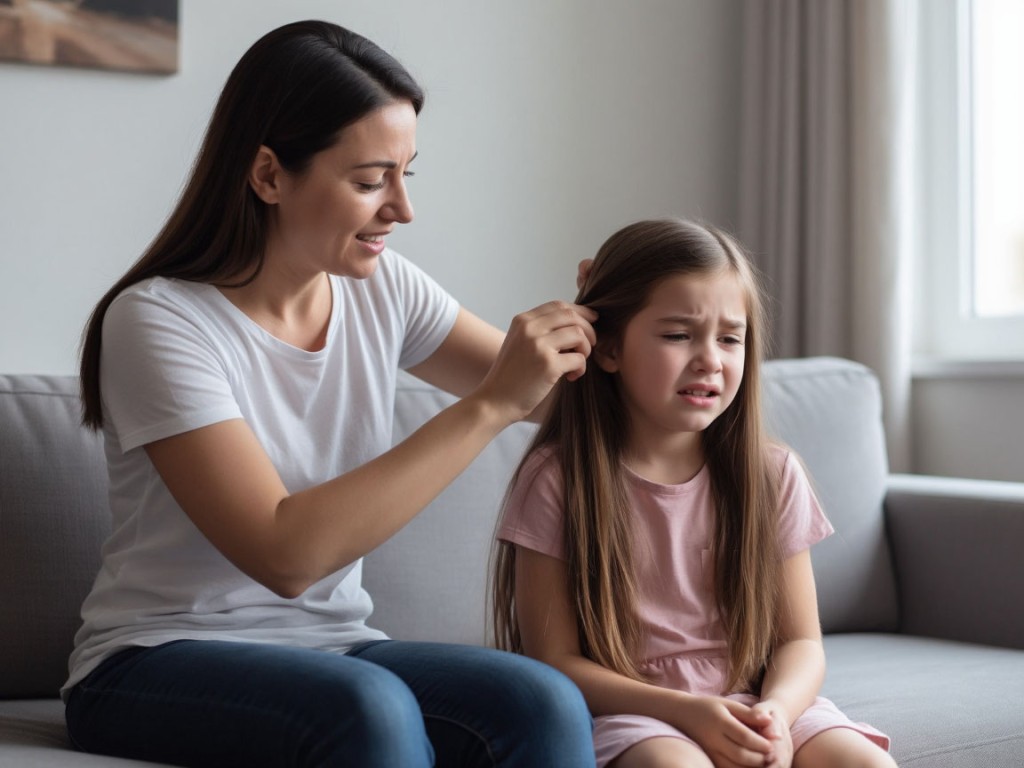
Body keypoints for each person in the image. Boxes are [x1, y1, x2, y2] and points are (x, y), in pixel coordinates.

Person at [65, 19, 598, 768]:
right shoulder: (158, 320)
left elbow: (556, 398)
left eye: (407, 174)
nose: (402, 209)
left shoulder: (384, 288)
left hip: (335, 649)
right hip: (151, 660)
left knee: (539, 700)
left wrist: (623, 314)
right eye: (370, 180)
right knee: (368, 708)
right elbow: (285, 555)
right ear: (269, 175)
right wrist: (488, 407)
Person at [492, 218, 897, 768]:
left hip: (757, 702)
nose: (711, 358)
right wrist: (688, 712)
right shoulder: (557, 479)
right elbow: (556, 663)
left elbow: (801, 643)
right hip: (636, 713)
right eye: (678, 335)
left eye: (729, 338)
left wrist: (776, 713)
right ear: (608, 348)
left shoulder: (772, 474)